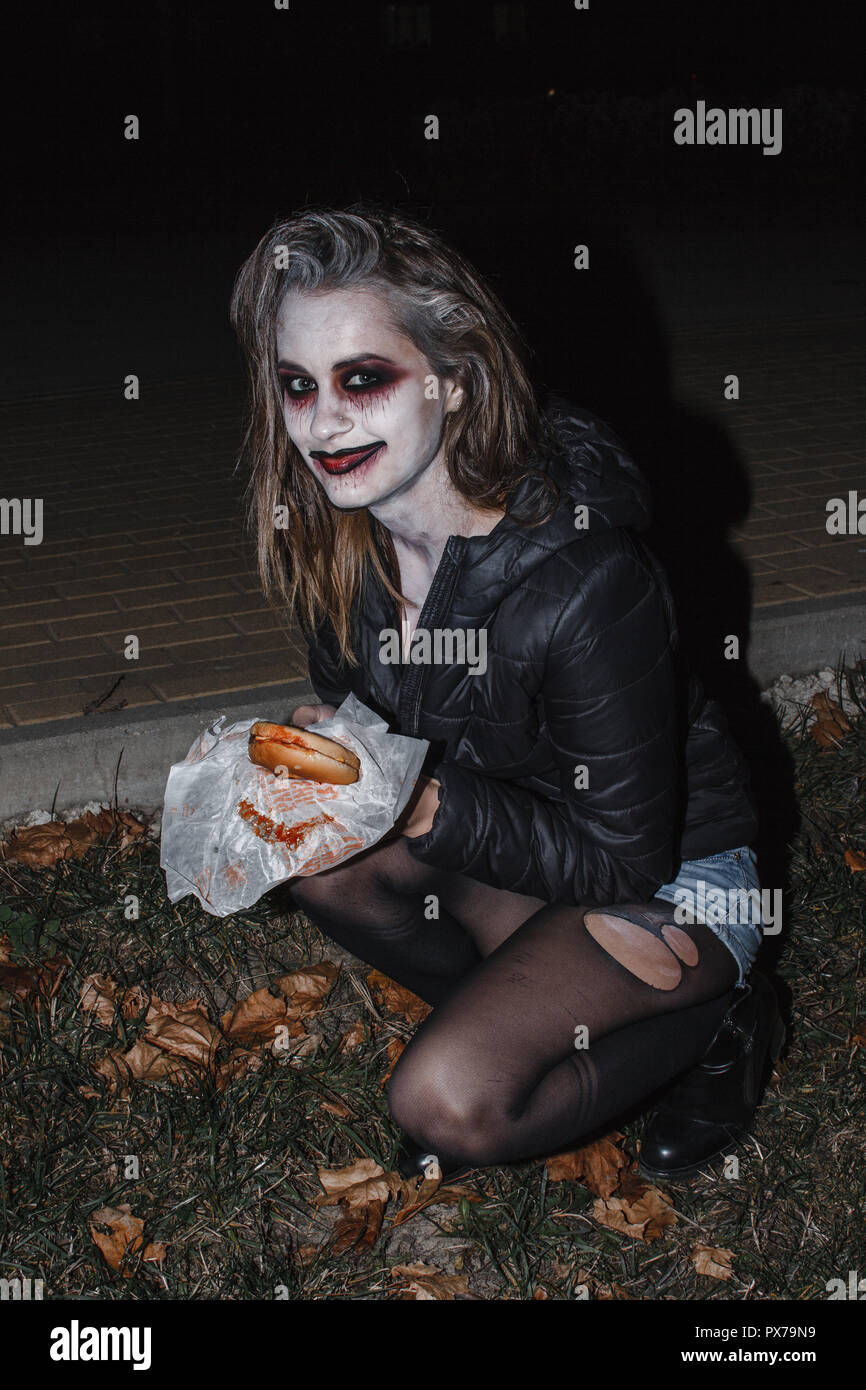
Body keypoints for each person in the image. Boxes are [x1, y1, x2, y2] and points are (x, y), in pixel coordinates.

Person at [229, 203, 785, 1183]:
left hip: (669, 880)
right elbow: (390, 735)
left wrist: (421, 800)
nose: (322, 421)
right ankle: (524, 1002)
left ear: (453, 377)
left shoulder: (582, 577)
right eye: (296, 385)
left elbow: (620, 857)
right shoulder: (337, 540)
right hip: (526, 855)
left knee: (447, 1101)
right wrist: (333, 754)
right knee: (326, 860)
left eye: (365, 377)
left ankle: (716, 1017)